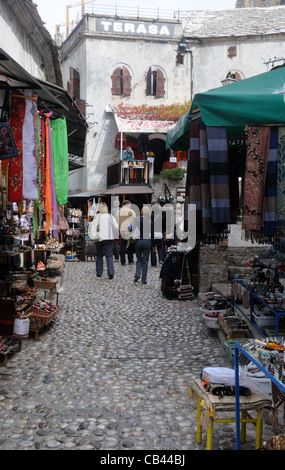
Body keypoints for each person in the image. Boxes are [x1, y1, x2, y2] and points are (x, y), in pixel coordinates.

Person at [90, 202, 118, 279]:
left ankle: (99, 272)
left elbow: (93, 228)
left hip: (99, 238)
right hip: (109, 238)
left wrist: (93, 237)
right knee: (109, 255)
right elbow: (116, 226)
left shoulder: (97, 217)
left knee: (99, 255)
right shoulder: (110, 216)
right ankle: (111, 272)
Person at [132, 205, 153, 285]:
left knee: (139, 259)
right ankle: (144, 280)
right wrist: (153, 244)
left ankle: (137, 273)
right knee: (145, 261)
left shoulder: (136, 219)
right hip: (147, 241)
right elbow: (152, 234)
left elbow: (132, 229)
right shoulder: (150, 221)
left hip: (138, 241)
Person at [115, 200, 136, 265]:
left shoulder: (118, 212)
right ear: (128, 204)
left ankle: (123, 261)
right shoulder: (131, 211)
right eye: (130, 204)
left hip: (121, 231)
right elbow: (135, 221)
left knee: (122, 246)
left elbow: (115, 222)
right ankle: (130, 260)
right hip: (129, 230)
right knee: (130, 246)